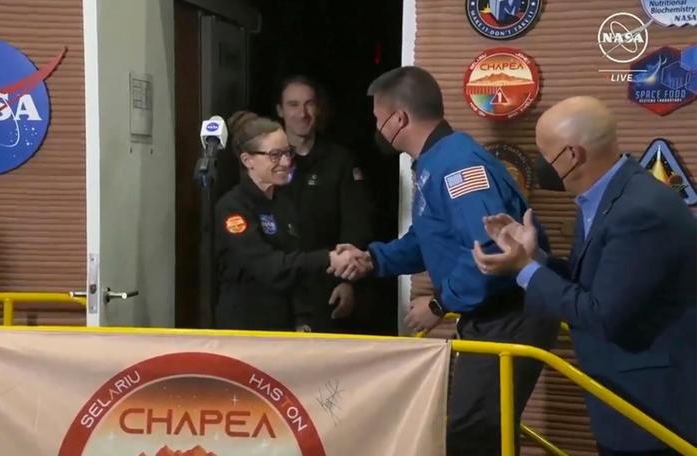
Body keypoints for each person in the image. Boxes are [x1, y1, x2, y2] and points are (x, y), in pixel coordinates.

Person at [330, 66, 560, 455]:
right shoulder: (436, 161)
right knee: (481, 431)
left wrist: (439, 304)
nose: (377, 130)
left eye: (377, 119)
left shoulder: (457, 165)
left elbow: (490, 248)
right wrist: (371, 259)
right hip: (491, 317)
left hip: (509, 316)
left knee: (473, 436)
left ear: (398, 119)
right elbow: (428, 239)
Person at [472, 96, 697, 455]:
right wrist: (535, 256)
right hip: (624, 403)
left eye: (544, 154)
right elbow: (595, 282)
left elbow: (602, 314)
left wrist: (525, 270)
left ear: (571, 155)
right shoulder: (606, 197)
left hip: (655, 412)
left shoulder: (638, 212)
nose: (540, 164)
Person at [214, 111, 356, 331]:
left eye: (288, 152)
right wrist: (327, 259)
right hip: (246, 328)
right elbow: (270, 267)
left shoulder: (284, 203)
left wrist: (302, 318)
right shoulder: (233, 208)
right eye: (275, 155)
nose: (286, 162)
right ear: (247, 160)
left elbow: (295, 264)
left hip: (285, 327)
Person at [275, 76, 374, 332]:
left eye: (309, 104)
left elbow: (356, 223)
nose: (302, 113)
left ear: (318, 109)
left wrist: (349, 283)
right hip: (278, 287)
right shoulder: (266, 161)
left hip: (326, 287)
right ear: (280, 110)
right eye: (293, 105)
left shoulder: (340, 161)